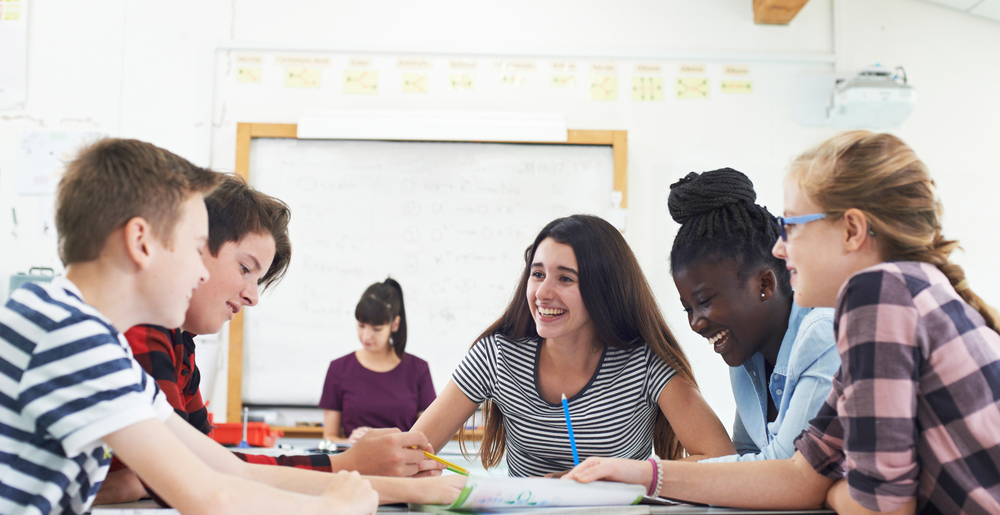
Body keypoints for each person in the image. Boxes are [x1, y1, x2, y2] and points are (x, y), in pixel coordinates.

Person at [564, 132, 1000, 514]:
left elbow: (876, 509)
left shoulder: (878, 295)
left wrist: (833, 492)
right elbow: (800, 476)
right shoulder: (898, 297)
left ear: (851, 231)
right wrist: (640, 475)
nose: (781, 248)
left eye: (791, 227)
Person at [0, 138, 384, 515]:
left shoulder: (92, 338)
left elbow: (226, 470)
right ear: (141, 242)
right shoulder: (70, 334)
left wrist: (350, 490)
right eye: (194, 247)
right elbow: (210, 498)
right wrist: (336, 507)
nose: (200, 270)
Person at [94, 174, 450, 507]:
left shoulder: (178, 343)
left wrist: (354, 468)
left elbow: (218, 467)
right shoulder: (138, 328)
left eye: (258, 280)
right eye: (245, 269)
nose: (252, 297)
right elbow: (200, 479)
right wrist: (355, 479)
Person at [412, 214, 735, 477]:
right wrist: (418, 468)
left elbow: (721, 460)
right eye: (537, 274)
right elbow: (413, 452)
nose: (542, 293)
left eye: (565, 279)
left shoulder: (644, 362)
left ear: (604, 289)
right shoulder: (497, 356)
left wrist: (619, 476)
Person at [667, 167, 838, 462]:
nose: (695, 323)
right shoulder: (746, 358)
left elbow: (785, 468)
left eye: (704, 300)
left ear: (764, 284)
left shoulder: (824, 334)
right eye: (688, 308)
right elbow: (746, 454)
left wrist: (652, 475)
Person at [320, 279, 436, 443]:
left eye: (376, 329)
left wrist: (394, 441)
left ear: (394, 324)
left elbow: (428, 437)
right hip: (354, 465)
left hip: (404, 464)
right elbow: (329, 437)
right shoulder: (338, 368)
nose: (366, 336)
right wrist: (349, 442)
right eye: (361, 326)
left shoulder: (418, 369)